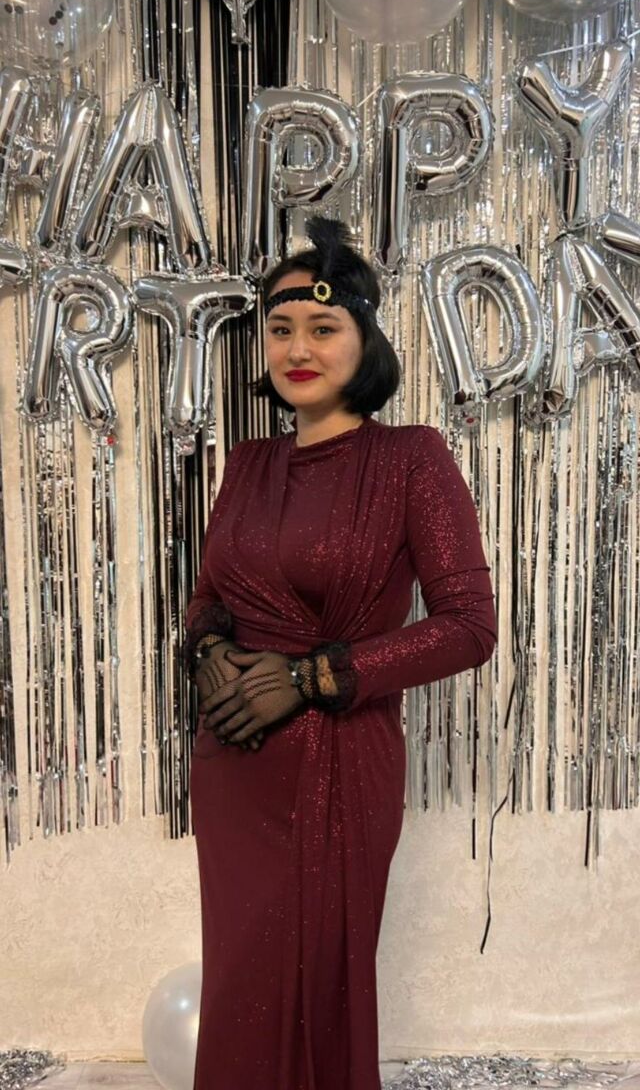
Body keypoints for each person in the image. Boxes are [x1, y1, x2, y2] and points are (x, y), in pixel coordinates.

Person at [184, 215, 497, 1090]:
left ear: (364, 340)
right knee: (240, 981)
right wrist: (210, 657)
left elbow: (470, 625)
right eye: (280, 329)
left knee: (316, 984)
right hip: (235, 765)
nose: (298, 349)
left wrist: (308, 676)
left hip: (337, 761)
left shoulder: (410, 460)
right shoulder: (247, 465)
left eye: (322, 328)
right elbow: (208, 599)